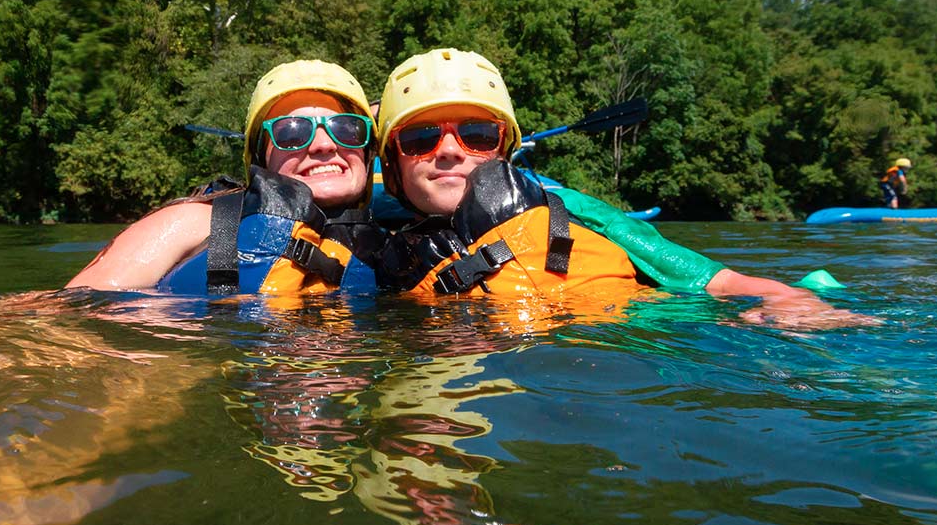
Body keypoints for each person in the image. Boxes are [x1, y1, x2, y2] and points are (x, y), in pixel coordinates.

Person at [374, 48, 872, 328]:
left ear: (504, 149)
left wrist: (786, 299)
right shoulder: (372, 235)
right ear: (391, 161)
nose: (449, 150)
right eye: (420, 137)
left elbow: (710, 280)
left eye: (477, 134)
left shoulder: (565, 207)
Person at [66, 60, 383, 294]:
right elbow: (67, 314)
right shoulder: (195, 223)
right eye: (292, 133)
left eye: (346, 128)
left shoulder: (394, 251)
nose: (325, 144)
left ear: (368, 151)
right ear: (261, 156)